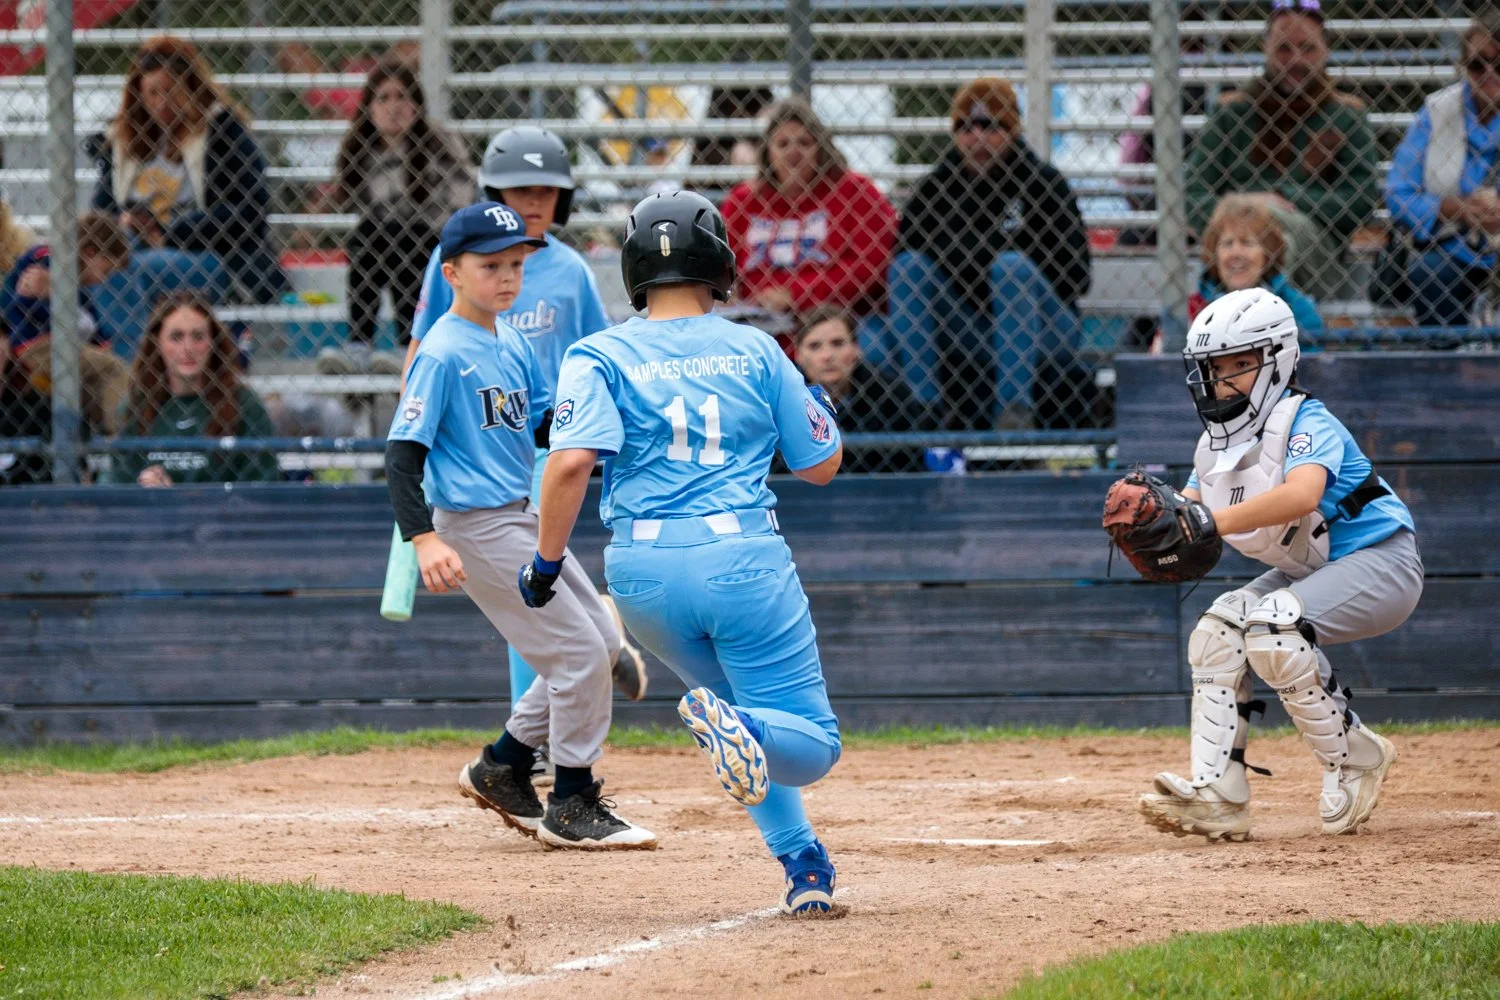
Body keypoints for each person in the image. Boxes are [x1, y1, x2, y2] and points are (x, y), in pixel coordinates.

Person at [522, 191, 845, 914]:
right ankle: (749, 733)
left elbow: (570, 463)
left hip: (643, 575)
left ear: (635, 269)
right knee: (811, 742)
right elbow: (822, 463)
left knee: (735, 714)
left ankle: (804, 869)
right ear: (720, 262)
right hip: (740, 560)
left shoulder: (597, 352)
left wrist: (545, 565)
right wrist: (814, 399)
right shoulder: (756, 347)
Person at [385, 202, 656, 851]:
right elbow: (402, 453)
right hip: (476, 526)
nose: (507, 278)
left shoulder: (510, 339)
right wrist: (424, 538)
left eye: (515, 265)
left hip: (517, 515)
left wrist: (609, 435)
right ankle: (572, 800)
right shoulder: (443, 352)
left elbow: (542, 424)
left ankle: (503, 765)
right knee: (583, 653)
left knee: (595, 636)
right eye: (490, 266)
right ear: (450, 272)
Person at [1137, 287, 1420, 843]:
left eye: (1239, 364)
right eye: (1214, 367)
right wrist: (1159, 523)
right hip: (1307, 574)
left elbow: (1301, 496)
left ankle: (1356, 756)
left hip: (1383, 563)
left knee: (1273, 628)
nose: (1222, 378)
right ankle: (1220, 795)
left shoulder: (1305, 418)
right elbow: (1191, 511)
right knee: (1219, 633)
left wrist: (1212, 522)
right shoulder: (1213, 444)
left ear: (1276, 361)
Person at [406, 126, 647, 714]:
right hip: (479, 440)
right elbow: (420, 347)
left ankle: (547, 715)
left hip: (548, 438)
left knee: (534, 587)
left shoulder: (568, 270)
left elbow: (596, 355)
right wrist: (410, 430)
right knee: (533, 590)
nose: (533, 202)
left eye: (546, 190)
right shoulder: (457, 260)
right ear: (493, 192)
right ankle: (599, 644)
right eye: (518, 190)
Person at [889, 77, 1091, 431]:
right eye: (965, 127)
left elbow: (1077, 276)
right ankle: (924, 410)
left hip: (1044, 330)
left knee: (1011, 269)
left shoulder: (1043, 183)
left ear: (1012, 130)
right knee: (908, 269)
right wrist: (983, 257)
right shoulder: (936, 188)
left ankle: (1015, 411)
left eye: (990, 125)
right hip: (970, 326)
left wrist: (980, 260)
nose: (977, 137)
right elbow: (907, 258)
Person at [90, 35, 288, 338]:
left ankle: (132, 365)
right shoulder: (122, 141)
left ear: (190, 87)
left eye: (170, 91)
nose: (161, 103)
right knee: (95, 260)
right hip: (133, 246)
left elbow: (251, 209)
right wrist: (125, 225)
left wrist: (173, 232)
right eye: (151, 93)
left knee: (121, 270)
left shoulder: (222, 132)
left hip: (208, 254)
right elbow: (101, 212)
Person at [1185, 0, 1379, 300]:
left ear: (1325, 51)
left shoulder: (1346, 115)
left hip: (1318, 256)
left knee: (1282, 238)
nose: (1296, 59)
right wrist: (1247, 208)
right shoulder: (1232, 112)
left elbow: (1361, 199)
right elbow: (1192, 196)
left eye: (1308, 48)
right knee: (1252, 241)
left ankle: (1251, 322)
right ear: (1266, 49)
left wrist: (1286, 198)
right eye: (1284, 49)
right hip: (1236, 244)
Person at [321, 56, 473, 376]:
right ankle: (359, 345)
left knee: (402, 238)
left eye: (402, 96)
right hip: (383, 242)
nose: (394, 106)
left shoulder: (439, 142)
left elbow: (461, 201)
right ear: (370, 107)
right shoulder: (360, 149)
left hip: (434, 239)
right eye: (384, 98)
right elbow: (354, 205)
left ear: (417, 104)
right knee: (370, 236)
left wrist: (413, 226)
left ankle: (409, 343)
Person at [720, 97, 898, 321]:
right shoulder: (743, 200)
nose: (793, 151)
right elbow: (719, 260)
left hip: (839, 319)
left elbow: (872, 263)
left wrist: (796, 294)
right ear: (768, 153)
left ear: (821, 148)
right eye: (783, 144)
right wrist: (724, 290)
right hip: (757, 321)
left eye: (804, 142)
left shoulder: (855, 191)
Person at [1385, 9, 1500, 329]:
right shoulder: (1437, 110)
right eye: (1478, 65)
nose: (1490, 73)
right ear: (1463, 67)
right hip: (1452, 246)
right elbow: (1397, 191)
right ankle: (1446, 362)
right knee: (1428, 271)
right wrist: (1456, 209)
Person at [112, 293, 279, 486]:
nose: (188, 348)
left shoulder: (245, 404)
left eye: (198, 336)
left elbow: (261, 485)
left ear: (213, 343)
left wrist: (179, 497)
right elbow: (119, 484)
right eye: (176, 337)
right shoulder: (137, 405)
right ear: (157, 343)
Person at [1, 213, 134, 435]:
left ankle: (95, 443)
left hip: (66, 349)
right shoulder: (46, 258)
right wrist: (58, 293)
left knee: (96, 381)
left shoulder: (78, 289)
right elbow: (22, 303)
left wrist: (60, 293)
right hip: (36, 346)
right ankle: (121, 439)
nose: (103, 279)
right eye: (105, 270)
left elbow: (95, 327)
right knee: (113, 369)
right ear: (90, 253)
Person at [795, 305, 931, 473]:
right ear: (798, 355)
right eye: (814, 346)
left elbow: (907, 464)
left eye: (837, 344)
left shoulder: (890, 393)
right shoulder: (779, 399)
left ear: (856, 350)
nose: (827, 356)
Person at [1190, 195, 1323, 336]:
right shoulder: (1192, 308)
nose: (1236, 253)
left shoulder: (1298, 310)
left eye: (1247, 243)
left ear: (1268, 253)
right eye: (1227, 243)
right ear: (1214, 253)